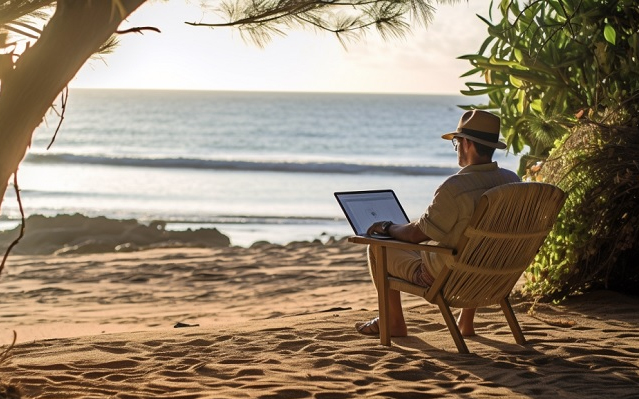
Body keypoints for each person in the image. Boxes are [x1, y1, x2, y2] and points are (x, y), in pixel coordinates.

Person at [356, 109, 520, 338]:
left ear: (467, 144)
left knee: (377, 247)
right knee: (474, 243)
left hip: (445, 278)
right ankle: (466, 323)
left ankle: (393, 322)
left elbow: (417, 234)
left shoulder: (455, 187)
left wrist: (387, 228)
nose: (456, 149)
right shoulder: (512, 181)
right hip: (491, 274)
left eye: (456, 143)